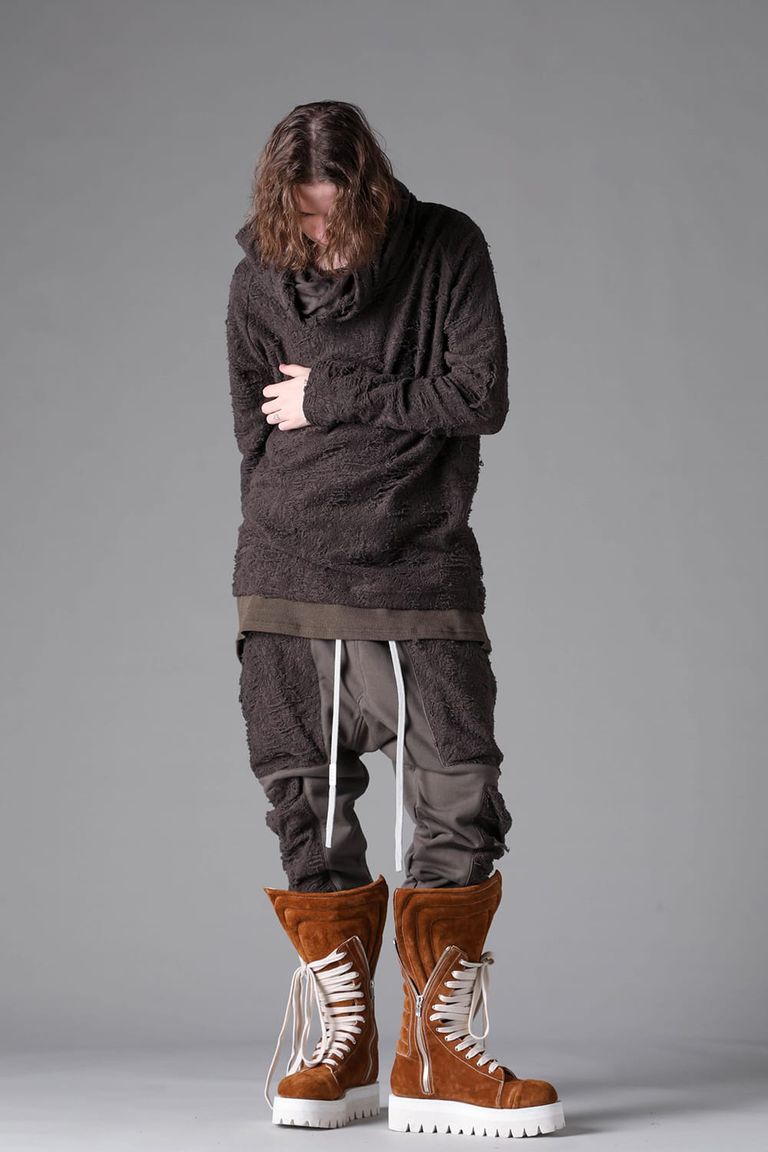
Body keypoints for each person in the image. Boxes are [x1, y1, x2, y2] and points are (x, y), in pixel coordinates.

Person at [226, 100, 565, 1138]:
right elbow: (255, 436)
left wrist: (334, 396)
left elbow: (479, 395)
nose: (319, 238)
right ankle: (349, 1045)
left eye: (335, 216)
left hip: (421, 567)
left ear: (371, 196)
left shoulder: (447, 249)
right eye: (302, 220)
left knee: (459, 792)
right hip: (288, 571)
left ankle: (436, 1054)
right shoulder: (257, 280)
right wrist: (335, 462)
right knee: (307, 802)